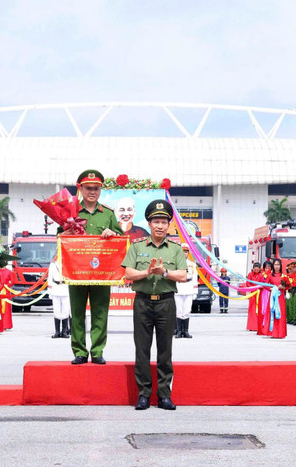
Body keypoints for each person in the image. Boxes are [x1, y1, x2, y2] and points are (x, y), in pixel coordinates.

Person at [121, 200, 187, 411]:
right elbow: (128, 273)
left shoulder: (175, 250)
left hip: (166, 303)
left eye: (163, 222)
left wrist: (165, 273)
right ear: (149, 224)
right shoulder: (137, 246)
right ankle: (143, 395)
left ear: (169, 226)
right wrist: (147, 272)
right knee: (142, 350)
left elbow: (183, 275)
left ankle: (164, 395)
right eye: (156, 221)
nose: (160, 226)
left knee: (165, 351)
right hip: (142, 302)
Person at [60, 169, 124, 365]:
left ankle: (97, 351)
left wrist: (112, 232)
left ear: (100, 190)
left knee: (100, 312)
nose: (92, 192)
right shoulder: (70, 213)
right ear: (80, 189)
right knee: (77, 312)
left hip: (101, 272)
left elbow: (122, 239)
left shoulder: (108, 214)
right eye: (88, 188)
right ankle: (79, 351)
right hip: (77, 272)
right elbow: (59, 238)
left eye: (96, 188)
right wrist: (67, 232)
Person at [174, 243, 197, 339]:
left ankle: (186, 331)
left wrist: (195, 291)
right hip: (179, 289)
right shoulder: (176, 264)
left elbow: (195, 278)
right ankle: (179, 331)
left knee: (187, 310)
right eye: (183, 251)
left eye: (186, 252)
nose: (184, 253)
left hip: (189, 289)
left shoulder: (192, 264)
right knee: (179, 311)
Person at [47, 253, 71, 339]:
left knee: (65, 311)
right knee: (56, 311)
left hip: (65, 288)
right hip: (55, 288)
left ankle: (64, 331)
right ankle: (57, 331)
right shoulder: (53, 265)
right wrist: (49, 291)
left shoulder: (68, 264)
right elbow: (50, 278)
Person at [245, 262, 262, 331]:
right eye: (255, 270)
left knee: (258, 309)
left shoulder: (261, 275)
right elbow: (247, 283)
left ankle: (258, 326)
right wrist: (253, 288)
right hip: (252, 294)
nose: (256, 271)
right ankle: (251, 326)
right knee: (252, 310)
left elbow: (262, 284)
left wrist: (258, 288)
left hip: (258, 294)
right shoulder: (250, 274)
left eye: (257, 270)